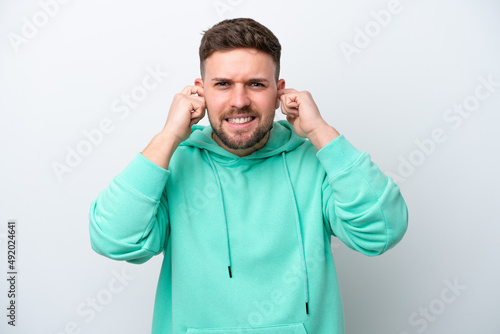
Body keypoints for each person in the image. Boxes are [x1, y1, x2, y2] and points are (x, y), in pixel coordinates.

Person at [89, 18, 408, 334]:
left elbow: (382, 232)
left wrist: (321, 132)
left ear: (279, 92)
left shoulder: (316, 162)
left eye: (256, 84)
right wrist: (169, 136)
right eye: (223, 84)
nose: (239, 101)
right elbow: (114, 239)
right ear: (200, 92)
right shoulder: (173, 164)